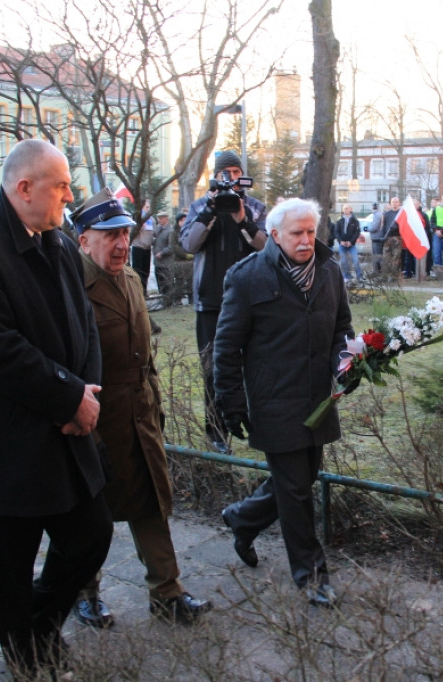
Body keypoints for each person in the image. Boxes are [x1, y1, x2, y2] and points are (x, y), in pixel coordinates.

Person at [0, 139, 112, 677]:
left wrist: (86, 395)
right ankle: (26, 660)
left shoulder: (58, 242)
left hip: (67, 434)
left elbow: (84, 327)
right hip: (5, 448)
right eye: (61, 185)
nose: (69, 195)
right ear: (24, 187)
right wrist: (67, 397)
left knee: (90, 538)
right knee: (9, 575)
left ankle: (36, 633)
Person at [69, 188, 211, 629]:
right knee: (91, 515)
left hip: (140, 414)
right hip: (96, 418)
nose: (121, 243)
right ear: (83, 240)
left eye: (126, 233)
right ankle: (84, 592)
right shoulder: (71, 288)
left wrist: (154, 403)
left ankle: (167, 593)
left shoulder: (131, 279)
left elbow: (143, 355)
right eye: (109, 234)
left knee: (152, 504)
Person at [215, 198, 354, 609]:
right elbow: (226, 346)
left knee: (297, 481)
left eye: (311, 231)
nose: (307, 240)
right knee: (295, 491)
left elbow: (341, 328)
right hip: (273, 400)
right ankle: (311, 577)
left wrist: (346, 364)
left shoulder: (329, 271)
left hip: (317, 399)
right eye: (297, 233)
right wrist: (231, 403)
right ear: (275, 235)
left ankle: (243, 518)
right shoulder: (246, 276)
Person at [181, 150, 267, 455]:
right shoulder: (200, 206)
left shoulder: (255, 207)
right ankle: (216, 431)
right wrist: (210, 211)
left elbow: (268, 246)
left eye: (235, 172)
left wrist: (243, 220)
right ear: (215, 176)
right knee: (213, 369)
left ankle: (255, 425)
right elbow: (189, 244)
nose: (230, 178)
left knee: (254, 365)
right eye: (224, 173)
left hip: (251, 301)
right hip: (211, 302)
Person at [333, 204, 363, 283]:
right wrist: (340, 241)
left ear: (350, 209)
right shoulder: (340, 220)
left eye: (347, 208)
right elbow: (336, 232)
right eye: (344, 209)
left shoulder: (355, 221)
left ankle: (359, 276)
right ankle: (347, 277)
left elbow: (357, 232)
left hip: (351, 245)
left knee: (355, 260)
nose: (345, 210)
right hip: (342, 244)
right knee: (343, 261)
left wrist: (351, 242)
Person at [131, 210, 156, 295]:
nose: (147, 209)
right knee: (138, 272)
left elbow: (154, 233)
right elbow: (132, 233)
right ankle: (138, 292)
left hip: (147, 248)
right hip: (138, 247)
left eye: (148, 207)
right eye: (145, 207)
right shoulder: (136, 219)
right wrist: (139, 227)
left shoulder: (152, 220)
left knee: (146, 271)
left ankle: (144, 291)